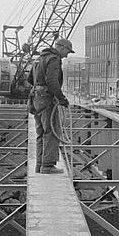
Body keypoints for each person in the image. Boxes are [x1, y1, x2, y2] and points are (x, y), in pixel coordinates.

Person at [27, 37, 74, 174]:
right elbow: (52, 80)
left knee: (41, 132)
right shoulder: (54, 59)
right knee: (51, 131)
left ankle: (40, 165)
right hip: (46, 99)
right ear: (62, 48)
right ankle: (47, 166)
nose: (66, 55)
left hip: (36, 98)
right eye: (67, 52)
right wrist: (61, 98)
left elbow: (30, 79)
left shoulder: (39, 59)